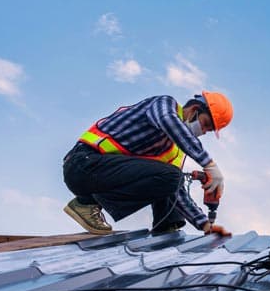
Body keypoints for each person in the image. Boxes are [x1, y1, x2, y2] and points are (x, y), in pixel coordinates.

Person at [62, 91, 233, 237]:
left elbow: (175, 189)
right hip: (82, 165)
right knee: (172, 174)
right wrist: (209, 165)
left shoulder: (172, 149)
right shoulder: (163, 105)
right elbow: (169, 121)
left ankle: (166, 227)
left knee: (172, 178)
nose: (203, 132)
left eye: (208, 131)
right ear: (195, 110)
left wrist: (205, 225)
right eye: (205, 124)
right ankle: (85, 203)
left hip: (103, 174)